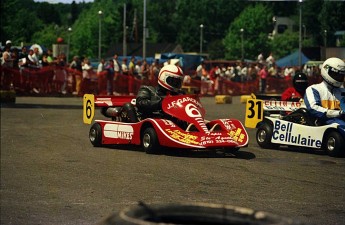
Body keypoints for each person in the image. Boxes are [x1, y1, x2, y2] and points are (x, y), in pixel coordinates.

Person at [304, 57, 345, 126]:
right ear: (326, 70)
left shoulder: (343, 91)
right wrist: (338, 113)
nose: (339, 77)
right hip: (322, 124)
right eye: (336, 74)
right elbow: (313, 108)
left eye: (341, 75)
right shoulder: (313, 89)